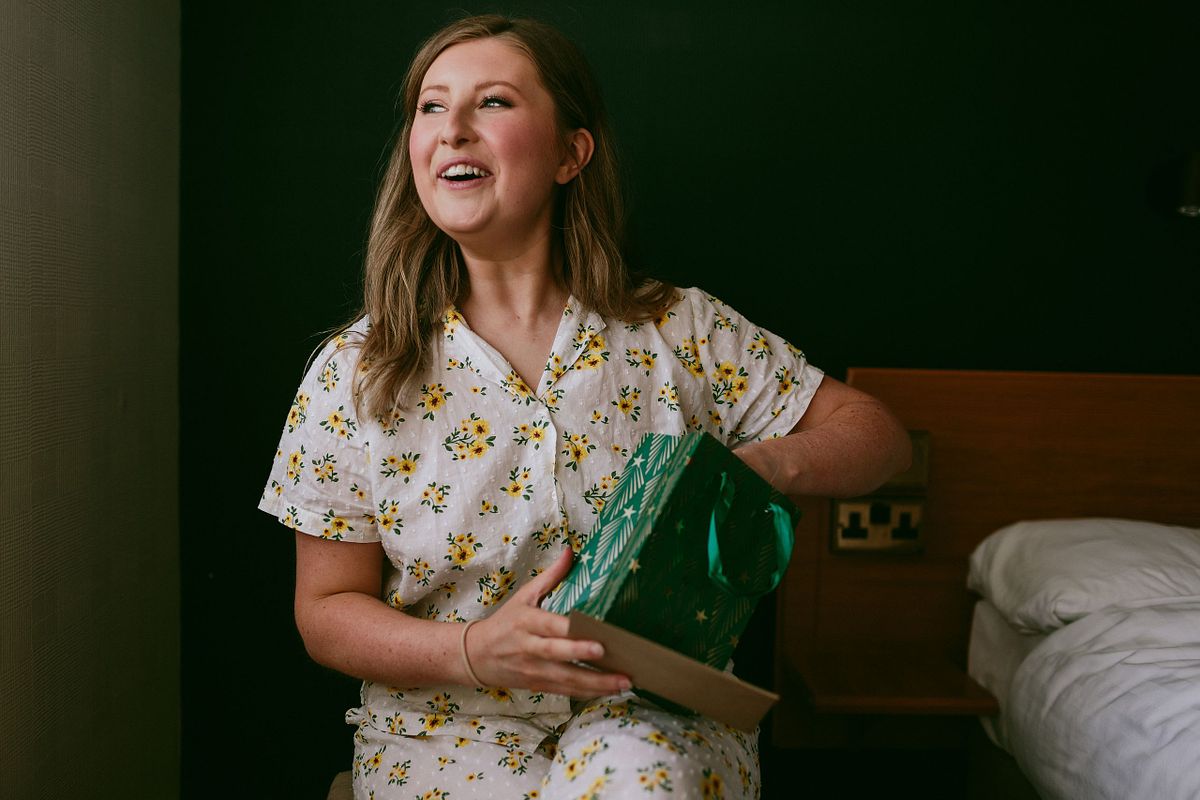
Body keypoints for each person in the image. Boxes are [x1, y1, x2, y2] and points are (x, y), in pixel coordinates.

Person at [258, 13, 911, 799]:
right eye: (431, 106)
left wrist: (745, 471)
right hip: (443, 733)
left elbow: (877, 437)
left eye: (493, 101)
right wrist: (473, 652)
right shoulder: (356, 370)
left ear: (571, 153)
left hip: (652, 721)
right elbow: (325, 610)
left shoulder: (680, 328)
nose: (453, 128)